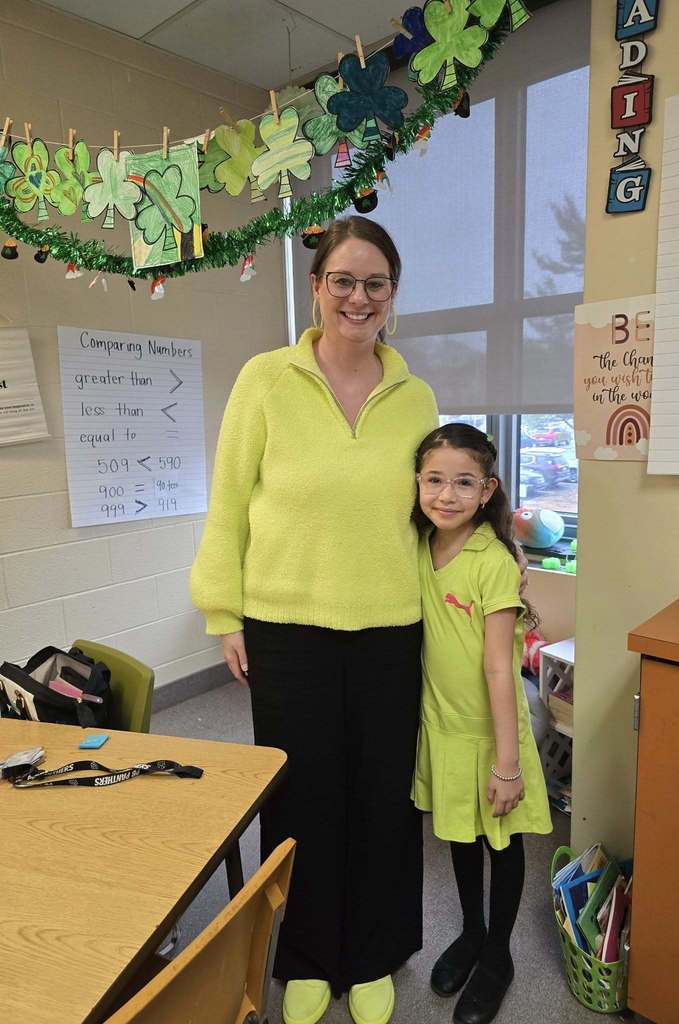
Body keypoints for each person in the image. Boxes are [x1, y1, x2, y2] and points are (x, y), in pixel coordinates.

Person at [189, 216, 438, 1024]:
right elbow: (227, 502)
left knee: (382, 798)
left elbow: (437, 509)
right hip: (286, 625)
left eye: (375, 284)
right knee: (301, 797)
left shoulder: (418, 394)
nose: (357, 298)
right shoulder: (265, 379)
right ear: (316, 288)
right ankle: (301, 955)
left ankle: (371, 954)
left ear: (392, 295)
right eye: (343, 281)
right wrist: (223, 611)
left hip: (392, 625)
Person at [411, 423, 553, 1024]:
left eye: (463, 483)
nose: (446, 495)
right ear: (417, 483)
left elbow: (500, 668)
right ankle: (471, 931)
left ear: (487, 488)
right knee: (461, 836)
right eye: (434, 480)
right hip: (440, 727)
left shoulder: (492, 560)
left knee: (504, 840)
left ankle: (498, 954)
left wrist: (508, 765)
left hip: (493, 737)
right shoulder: (419, 545)